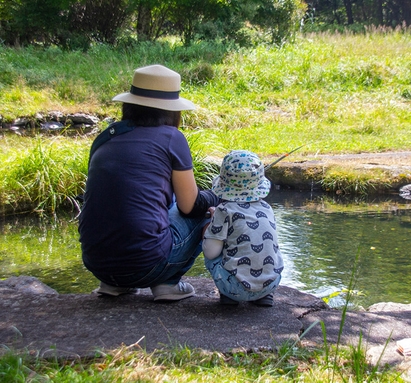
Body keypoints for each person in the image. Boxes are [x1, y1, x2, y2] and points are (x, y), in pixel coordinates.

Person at [78, 64, 219, 302]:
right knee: (203, 213)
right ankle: (168, 284)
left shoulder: (106, 137)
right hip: (147, 266)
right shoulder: (172, 137)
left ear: (129, 104)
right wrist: (215, 197)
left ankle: (113, 284)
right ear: (172, 110)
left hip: (96, 264)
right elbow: (189, 206)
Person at [202, 150, 284, 306]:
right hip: (272, 283)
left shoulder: (224, 210)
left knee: (209, 240)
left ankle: (230, 296)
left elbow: (211, 252)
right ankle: (264, 296)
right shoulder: (267, 208)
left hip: (235, 287)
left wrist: (212, 223)